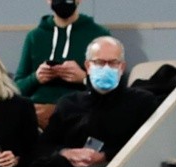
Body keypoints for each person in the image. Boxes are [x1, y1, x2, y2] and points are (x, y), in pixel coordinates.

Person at [25, 35, 158, 167]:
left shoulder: (142, 102)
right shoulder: (68, 103)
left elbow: (147, 148)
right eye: (100, 62)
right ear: (88, 66)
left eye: (113, 63)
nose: (106, 68)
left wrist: (104, 156)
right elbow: (44, 147)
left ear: (122, 67)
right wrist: (67, 153)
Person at [14, 0, 111, 129]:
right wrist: (36, 78)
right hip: (36, 114)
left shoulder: (99, 35)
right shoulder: (35, 36)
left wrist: (83, 78)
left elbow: (110, 88)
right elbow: (17, 88)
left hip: (78, 111)